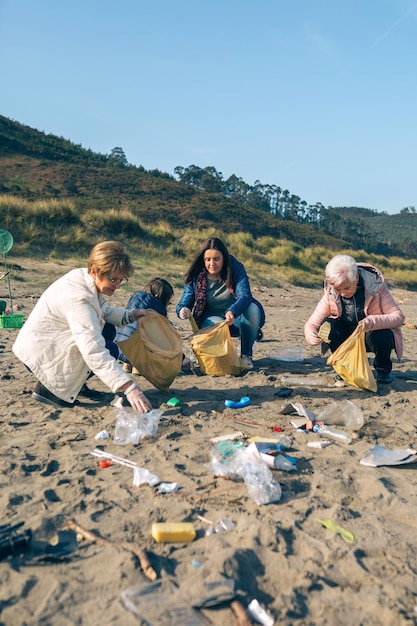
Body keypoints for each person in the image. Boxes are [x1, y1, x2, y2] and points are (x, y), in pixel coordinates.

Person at [13, 241, 152, 411]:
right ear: (94, 271)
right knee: (108, 349)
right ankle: (50, 390)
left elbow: (103, 311)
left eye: (121, 280)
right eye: (113, 279)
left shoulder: (84, 277)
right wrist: (128, 387)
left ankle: (75, 382)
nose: (117, 285)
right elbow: (93, 349)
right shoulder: (79, 298)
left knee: (107, 329)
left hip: (45, 341)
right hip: (38, 353)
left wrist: (131, 315)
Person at [304, 254, 404, 383]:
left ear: (356, 278)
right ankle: (344, 368)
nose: (343, 293)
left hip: (370, 337)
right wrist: (311, 335)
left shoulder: (376, 286)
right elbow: (312, 323)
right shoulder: (331, 293)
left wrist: (372, 322)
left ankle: (383, 371)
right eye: (338, 289)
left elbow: (398, 317)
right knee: (329, 326)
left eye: (346, 288)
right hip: (346, 339)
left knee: (382, 333)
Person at [176, 237, 265, 369]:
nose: (212, 264)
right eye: (208, 259)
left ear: (224, 258)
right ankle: (228, 356)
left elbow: (245, 296)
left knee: (252, 308)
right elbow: (186, 300)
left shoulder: (235, 268)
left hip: (237, 318)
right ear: (203, 260)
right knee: (218, 325)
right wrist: (182, 310)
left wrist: (232, 311)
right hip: (211, 319)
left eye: (216, 259)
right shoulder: (196, 275)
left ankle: (246, 355)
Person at [115, 277, 174, 372]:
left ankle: (127, 364)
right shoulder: (157, 310)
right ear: (158, 296)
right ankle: (138, 366)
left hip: (120, 349)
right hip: (139, 353)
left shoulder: (134, 301)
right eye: (168, 301)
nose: (167, 305)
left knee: (132, 330)